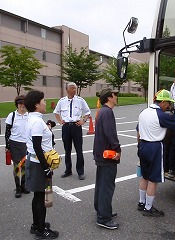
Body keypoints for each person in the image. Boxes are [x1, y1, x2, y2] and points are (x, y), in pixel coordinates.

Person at [137, 89, 175, 217]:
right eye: (168, 103)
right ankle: (148, 208)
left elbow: (138, 131)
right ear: (162, 102)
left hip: (143, 145)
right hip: (155, 147)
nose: (169, 106)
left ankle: (141, 202)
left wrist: (139, 146)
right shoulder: (161, 116)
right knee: (153, 179)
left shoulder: (143, 112)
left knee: (144, 175)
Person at [25, 90, 59, 239]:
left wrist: (48, 128)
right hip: (39, 163)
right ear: (36, 104)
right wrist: (46, 167)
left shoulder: (33, 119)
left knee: (38, 196)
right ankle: (41, 230)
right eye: (43, 101)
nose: (45, 103)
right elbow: (38, 146)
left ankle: (37, 224)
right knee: (40, 197)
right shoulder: (37, 122)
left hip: (36, 162)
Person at [93, 88, 121, 230]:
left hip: (100, 153)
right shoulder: (107, 112)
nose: (117, 97)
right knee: (107, 186)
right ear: (109, 97)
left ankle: (101, 210)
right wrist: (117, 149)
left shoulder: (102, 111)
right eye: (115, 95)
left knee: (101, 183)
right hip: (107, 154)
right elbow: (111, 134)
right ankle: (103, 217)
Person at [53, 82, 90, 180]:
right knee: (67, 150)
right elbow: (56, 112)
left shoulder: (80, 100)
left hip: (76, 126)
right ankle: (68, 170)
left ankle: (80, 171)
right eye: (72, 88)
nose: (74, 90)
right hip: (66, 127)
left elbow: (87, 112)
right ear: (67, 89)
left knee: (79, 150)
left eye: (75, 88)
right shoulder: (62, 101)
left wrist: (83, 120)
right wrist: (60, 121)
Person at [5, 95, 30, 198]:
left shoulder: (29, 115)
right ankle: (18, 187)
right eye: (20, 103)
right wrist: (7, 145)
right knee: (16, 166)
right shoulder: (12, 115)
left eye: (24, 103)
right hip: (15, 143)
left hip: (26, 143)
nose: (22, 106)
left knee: (25, 165)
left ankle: (24, 185)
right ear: (17, 104)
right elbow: (7, 131)